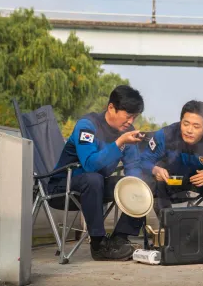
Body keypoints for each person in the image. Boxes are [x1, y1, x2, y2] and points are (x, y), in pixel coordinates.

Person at [48, 85, 146, 261]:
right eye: (127, 115)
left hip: (96, 188)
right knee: (93, 178)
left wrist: (138, 188)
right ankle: (98, 244)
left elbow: (133, 166)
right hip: (63, 187)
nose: (130, 121)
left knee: (141, 186)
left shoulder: (127, 133)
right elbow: (90, 165)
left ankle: (119, 239)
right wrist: (119, 143)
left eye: (134, 117)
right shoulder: (87, 126)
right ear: (111, 108)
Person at [140, 100, 203, 252]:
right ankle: (174, 235)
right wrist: (155, 169)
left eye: (196, 126)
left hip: (199, 182)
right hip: (170, 181)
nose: (189, 130)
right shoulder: (165, 135)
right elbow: (143, 160)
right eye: (185, 123)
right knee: (154, 184)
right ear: (180, 122)